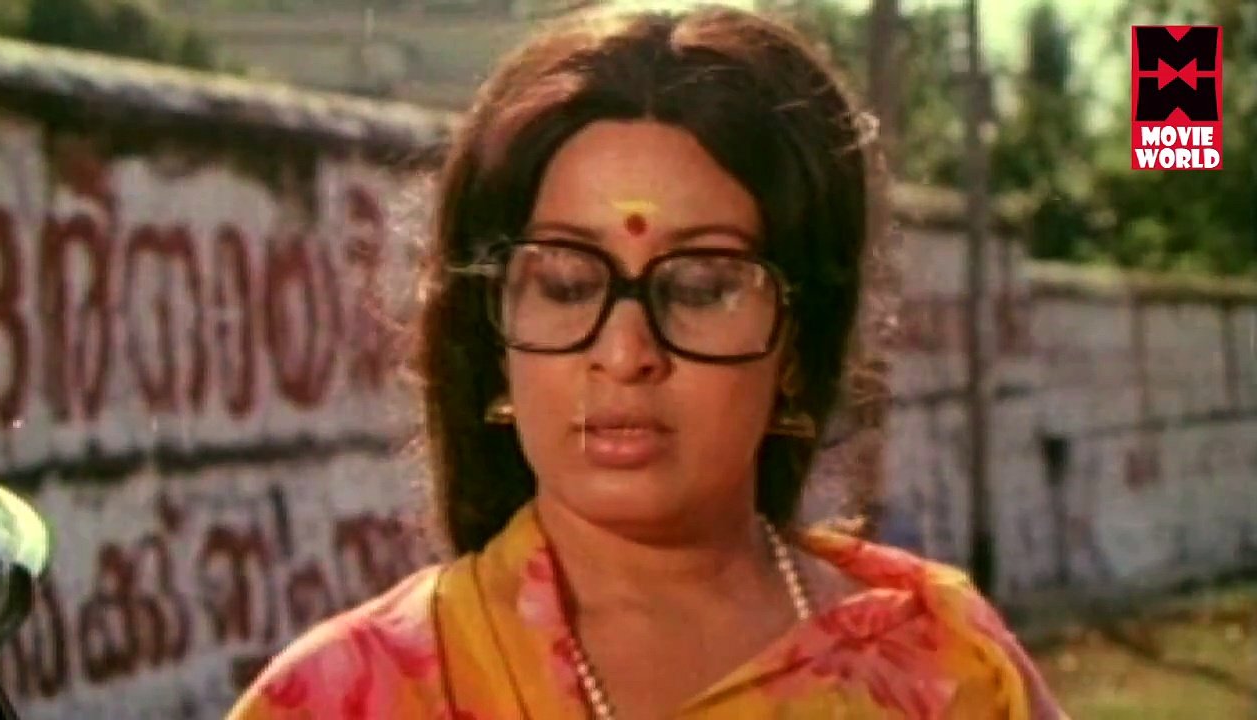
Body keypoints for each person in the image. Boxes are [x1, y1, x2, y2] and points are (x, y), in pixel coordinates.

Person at [228, 4, 1065, 718]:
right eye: (565, 284)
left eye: (701, 287)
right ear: (496, 336)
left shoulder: (944, 665)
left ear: (798, 345)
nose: (625, 354)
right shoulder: (353, 695)